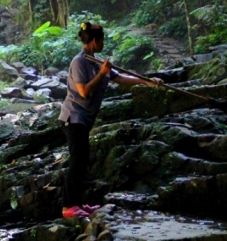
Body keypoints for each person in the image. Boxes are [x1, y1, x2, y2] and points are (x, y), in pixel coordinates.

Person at [58, 22, 162, 218]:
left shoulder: (96, 62)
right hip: (73, 118)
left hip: (83, 120)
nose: (103, 43)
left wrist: (146, 81)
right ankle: (67, 207)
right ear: (95, 41)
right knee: (78, 161)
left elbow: (120, 78)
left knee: (83, 161)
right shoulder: (79, 62)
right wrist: (102, 73)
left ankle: (77, 203)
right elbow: (83, 91)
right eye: (102, 40)